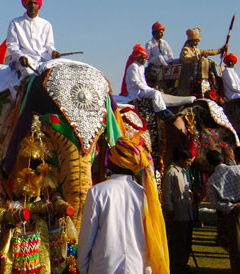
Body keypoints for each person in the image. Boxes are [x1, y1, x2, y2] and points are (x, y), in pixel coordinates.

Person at [78, 136, 169, 274]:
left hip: (103, 267)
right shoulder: (144, 195)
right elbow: (150, 235)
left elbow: (86, 236)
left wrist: (82, 267)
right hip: (136, 267)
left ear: (114, 163)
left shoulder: (97, 192)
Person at [208, 146, 240, 274]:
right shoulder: (237, 171)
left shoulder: (212, 180)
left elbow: (215, 203)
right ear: (222, 159)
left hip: (233, 214)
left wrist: (231, 207)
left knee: (238, 249)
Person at [5, 0, 60, 76]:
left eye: (35, 3)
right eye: (30, 3)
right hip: (24, 61)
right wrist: (20, 56)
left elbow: (49, 45)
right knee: (30, 76)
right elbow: (12, 45)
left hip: (44, 60)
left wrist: (53, 52)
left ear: (39, 6)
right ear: (26, 5)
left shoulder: (46, 24)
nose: (33, 5)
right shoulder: (15, 23)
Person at [120, 44, 177, 121]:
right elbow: (136, 82)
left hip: (142, 89)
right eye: (142, 58)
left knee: (157, 92)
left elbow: (143, 81)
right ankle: (162, 113)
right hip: (136, 92)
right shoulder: (133, 67)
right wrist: (149, 89)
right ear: (138, 58)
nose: (144, 60)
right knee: (156, 93)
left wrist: (149, 88)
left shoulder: (141, 67)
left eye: (145, 58)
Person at [162, 146, 195, 273]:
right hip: (177, 213)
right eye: (187, 160)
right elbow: (167, 193)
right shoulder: (171, 172)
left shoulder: (183, 172)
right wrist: (169, 208)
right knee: (177, 241)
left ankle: (183, 263)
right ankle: (176, 265)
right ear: (180, 159)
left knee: (186, 240)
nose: (189, 163)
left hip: (187, 212)